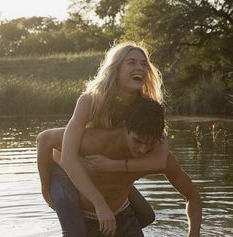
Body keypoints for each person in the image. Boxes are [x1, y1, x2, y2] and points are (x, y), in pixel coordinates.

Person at [37, 42, 167, 236]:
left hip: (102, 167)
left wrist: (111, 168)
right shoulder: (89, 101)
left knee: (146, 216)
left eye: (143, 64)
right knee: (76, 232)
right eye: (131, 62)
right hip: (66, 168)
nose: (139, 67)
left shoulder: (146, 109)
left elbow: (160, 160)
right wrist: (46, 189)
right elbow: (65, 155)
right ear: (115, 69)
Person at [38, 96, 202, 237]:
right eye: (137, 141)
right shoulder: (98, 140)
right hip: (81, 208)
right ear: (124, 128)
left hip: (120, 213)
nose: (142, 150)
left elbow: (192, 195)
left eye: (149, 144)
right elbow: (45, 140)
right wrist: (45, 190)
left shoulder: (155, 157)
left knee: (147, 216)